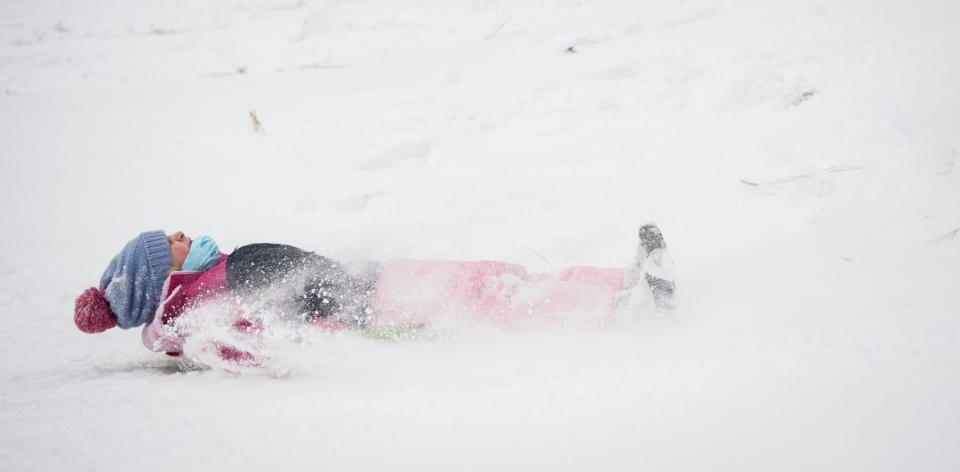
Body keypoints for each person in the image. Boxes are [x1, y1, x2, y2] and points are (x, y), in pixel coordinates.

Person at [74, 225, 676, 361]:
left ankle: (617, 287)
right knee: (484, 291)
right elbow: (259, 342)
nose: (180, 234)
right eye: (168, 245)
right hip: (376, 305)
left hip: (374, 285)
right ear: (161, 276)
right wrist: (339, 321)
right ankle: (618, 311)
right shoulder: (203, 306)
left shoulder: (207, 286)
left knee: (489, 276)